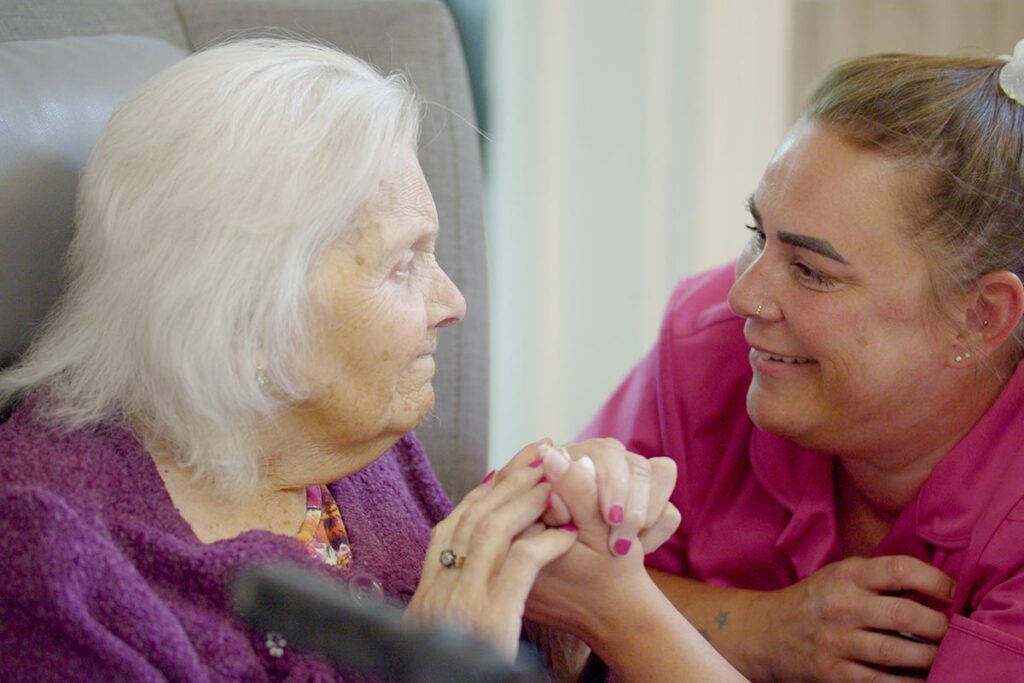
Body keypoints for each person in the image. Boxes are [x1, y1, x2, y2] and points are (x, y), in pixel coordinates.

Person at [0, 39, 738, 682]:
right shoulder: (46, 561)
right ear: (247, 324)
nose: (452, 302)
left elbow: (485, 634)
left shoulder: (350, 442)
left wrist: (557, 615)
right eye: (401, 264)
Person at [581, 42, 1024, 681]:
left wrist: (624, 614)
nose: (744, 296)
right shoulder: (713, 346)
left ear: (982, 316)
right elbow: (528, 565)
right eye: (758, 235)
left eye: (812, 271)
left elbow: (587, 590)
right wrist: (760, 629)